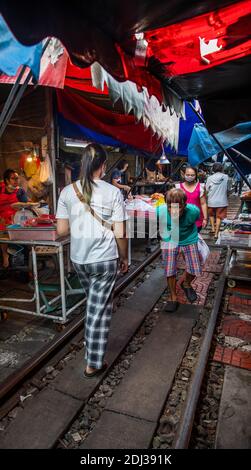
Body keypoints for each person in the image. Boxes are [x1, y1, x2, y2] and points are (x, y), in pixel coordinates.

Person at [56, 144, 128, 378]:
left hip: (80, 260)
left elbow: (61, 230)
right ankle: (94, 363)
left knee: (93, 305)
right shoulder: (112, 192)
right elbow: (120, 232)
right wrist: (125, 257)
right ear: (104, 166)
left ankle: (91, 346)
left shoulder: (67, 192)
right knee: (99, 310)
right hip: (105, 260)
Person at [157, 188, 202, 312]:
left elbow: (197, 224)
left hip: (189, 238)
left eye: (178, 207)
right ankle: (173, 296)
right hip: (170, 239)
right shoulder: (160, 210)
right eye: (170, 207)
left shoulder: (193, 211)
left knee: (195, 268)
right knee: (169, 269)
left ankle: (186, 283)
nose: (174, 211)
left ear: (185, 205)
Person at [0, 169, 28, 273]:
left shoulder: (20, 191)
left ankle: (23, 258)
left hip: (15, 217)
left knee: (11, 224)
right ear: (7, 180)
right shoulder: (0, 188)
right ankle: (5, 254)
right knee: (2, 226)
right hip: (1, 217)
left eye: (17, 178)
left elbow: (25, 205)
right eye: (13, 178)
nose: (16, 180)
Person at [175, 166, 208, 232]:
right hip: (181, 219)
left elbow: (203, 203)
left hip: (197, 220)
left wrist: (205, 218)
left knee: (194, 239)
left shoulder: (200, 187)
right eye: (188, 175)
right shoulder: (178, 187)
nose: (190, 177)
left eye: (192, 175)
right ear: (184, 175)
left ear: (196, 175)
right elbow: (175, 204)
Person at [206, 162, 231, 239]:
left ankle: (213, 229)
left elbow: (207, 189)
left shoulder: (209, 178)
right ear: (222, 168)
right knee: (219, 217)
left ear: (213, 169)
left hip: (211, 201)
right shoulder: (226, 177)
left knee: (211, 215)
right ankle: (216, 233)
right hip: (222, 201)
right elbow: (229, 189)